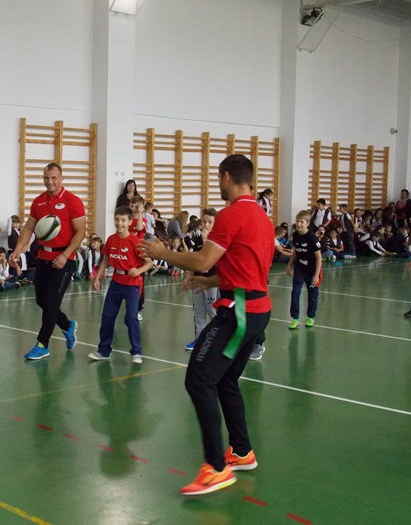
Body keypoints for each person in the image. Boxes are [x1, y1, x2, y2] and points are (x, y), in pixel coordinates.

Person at [139, 154, 273, 496]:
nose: (218, 184)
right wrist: (211, 280)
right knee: (225, 379)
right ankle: (241, 451)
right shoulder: (262, 216)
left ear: (226, 177)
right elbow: (247, 267)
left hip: (239, 312)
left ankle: (216, 468)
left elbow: (201, 259)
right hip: (257, 308)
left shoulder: (232, 214)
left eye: (218, 178)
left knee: (199, 380)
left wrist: (161, 253)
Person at [10, 162, 86, 360]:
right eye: (46, 178)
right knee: (41, 301)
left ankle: (42, 344)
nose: (50, 181)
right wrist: (18, 249)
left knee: (51, 302)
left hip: (64, 259)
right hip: (43, 257)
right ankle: (68, 326)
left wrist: (65, 255)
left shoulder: (73, 201)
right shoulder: (38, 202)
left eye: (53, 178)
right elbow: (29, 228)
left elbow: (80, 232)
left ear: (61, 179)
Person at [87, 206, 153, 364]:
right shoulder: (111, 239)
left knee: (131, 317)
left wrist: (138, 270)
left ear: (130, 222)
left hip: (132, 285)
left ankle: (136, 352)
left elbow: (149, 263)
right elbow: (106, 259)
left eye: (123, 220)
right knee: (108, 316)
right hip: (116, 283)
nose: (119, 223)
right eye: (117, 220)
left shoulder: (135, 241)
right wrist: (97, 277)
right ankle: (104, 351)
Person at [183, 208, 218, 352]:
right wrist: (189, 276)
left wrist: (205, 240)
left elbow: (210, 257)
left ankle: (218, 339)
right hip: (197, 280)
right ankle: (199, 339)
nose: (206, 225)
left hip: (211, 281)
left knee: (212, 311)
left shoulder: (217, 240)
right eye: (204, 222)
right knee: (198, 311)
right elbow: (196, 260)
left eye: (210, 222)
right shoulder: (198, 239)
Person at [286, 210, 323, 329]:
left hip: (312, 269)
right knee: (295, 292)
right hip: (300, 268)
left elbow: (319, 257)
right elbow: (295, 251)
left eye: (301, 222)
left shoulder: (312, 237)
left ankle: (310, 317)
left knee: (312, 293)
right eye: (297, 221)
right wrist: (289, 265)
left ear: (307, 223)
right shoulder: (295, 235)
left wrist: (316, 275)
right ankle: (295, 318)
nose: (299, 224)